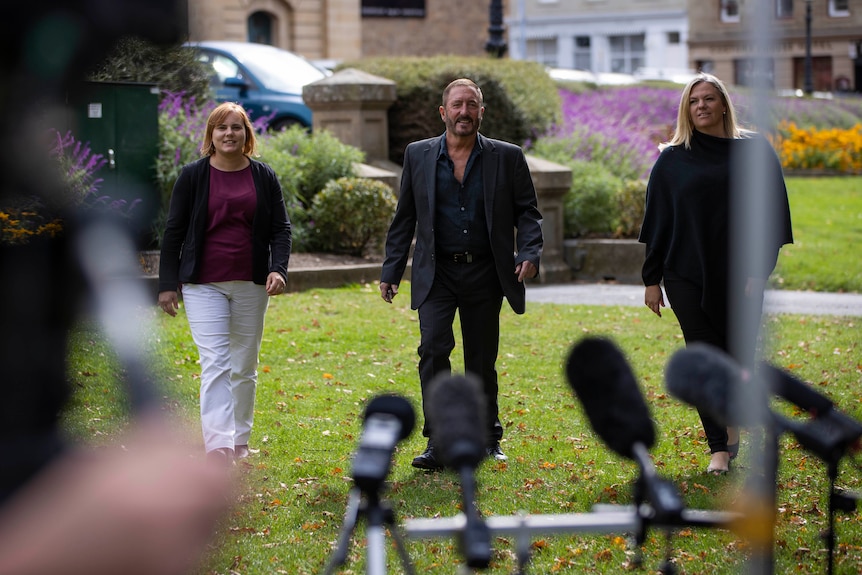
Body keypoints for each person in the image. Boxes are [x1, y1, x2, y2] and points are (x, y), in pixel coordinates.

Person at [379, 78, 543, 470]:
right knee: (433, 351)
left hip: (486, 272)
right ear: (444, 112)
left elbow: (528, 211)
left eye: (471, 105)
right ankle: (439, 441)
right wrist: (391, 269)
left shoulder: (506, 157)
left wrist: (530, 251)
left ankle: (488, 437)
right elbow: (405, 217)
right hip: (436, 272)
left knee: (480, 359)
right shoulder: (418, 155)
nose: (464, 112)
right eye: (457, 105)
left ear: (481, 112)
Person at [638, 73, 793, 475]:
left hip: (743, 273)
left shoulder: (755, 150)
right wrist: (652, 279)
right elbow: (658, 222)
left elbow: (773, 215)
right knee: (704, 358)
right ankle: (718, 449)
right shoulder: (673, 157)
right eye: (693, 101)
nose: (701, 106)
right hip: (684, 273)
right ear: (686, 110)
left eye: (708, 99)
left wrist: (759, 272)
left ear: (723, 103)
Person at [158, 102, 291, 464]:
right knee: (215, 362)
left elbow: (281, 228)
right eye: (222, 128)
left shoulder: (263, 176)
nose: (229, 133)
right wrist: (167, 283)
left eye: (237, 127)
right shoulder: (193, 176)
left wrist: (278, 268)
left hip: (251, 283)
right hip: (203, 283)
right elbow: (174, 232)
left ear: (247, 135)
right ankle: (218, 445)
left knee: (243, 364)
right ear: (211, 135)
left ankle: (240, 439)